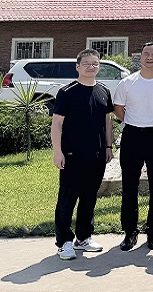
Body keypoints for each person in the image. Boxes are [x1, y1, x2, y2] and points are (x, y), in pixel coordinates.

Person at [113, 42, 153, 251]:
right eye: (146, 54)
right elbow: (118, 108)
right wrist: (134, 121)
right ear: (140, 57)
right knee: (129, 186)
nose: (150, 57)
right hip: (132, 136)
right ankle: (130, 232)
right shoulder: (127, 82)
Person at [51, 49, 114, 260]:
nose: (91, 67)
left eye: (95, 64)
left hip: (97, 155)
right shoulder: (67, 92)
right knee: (67, 199)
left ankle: (84, 237)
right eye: (86, 64)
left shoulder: (103, 91)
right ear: (77, 67)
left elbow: (107, 121)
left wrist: (108, 147)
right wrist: (58, 152)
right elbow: (57, 124)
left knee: (89, 198)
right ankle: (64, 242)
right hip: (72, 155)